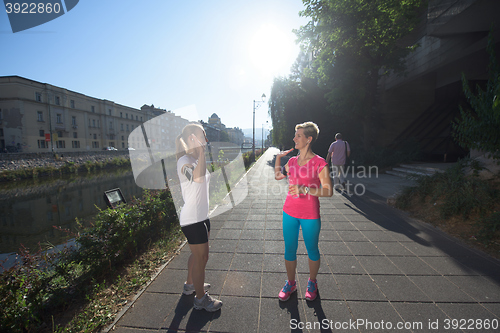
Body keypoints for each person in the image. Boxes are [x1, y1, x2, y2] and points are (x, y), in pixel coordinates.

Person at [274, 121, 333, 302]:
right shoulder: (291, 161)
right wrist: (278, 158)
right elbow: (278, 176)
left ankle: (312, 282)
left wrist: (305, 189)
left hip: (310, 215)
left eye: (298, 135)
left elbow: (328, 190)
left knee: (312, 250)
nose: (294, 138)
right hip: (289, 212)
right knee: (289, 249)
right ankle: (291, 283)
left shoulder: (319, 162)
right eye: (295, 135)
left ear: (308, 139)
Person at [176, 123, 222, 312]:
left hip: (202, 216)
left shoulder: (194, 158)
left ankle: (190, 285)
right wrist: (202, 153)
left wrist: (201, 154)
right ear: (191, 139)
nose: (206, 139)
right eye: (202, 135)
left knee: (199, 257)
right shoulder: (183, 161)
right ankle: (200, 299)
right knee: (201, 257)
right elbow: (198, 178)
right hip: (192, 219)